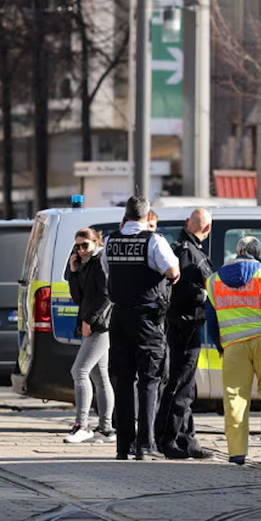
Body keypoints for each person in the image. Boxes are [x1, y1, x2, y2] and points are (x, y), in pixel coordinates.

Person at [104, 195, 180, 460]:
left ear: (125, 215)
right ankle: (145, 446)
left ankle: (123, 446)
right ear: (148, 217)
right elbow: (172, 271)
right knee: (149, 380)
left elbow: (107, 272)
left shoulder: (110, 240)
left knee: (122, 381)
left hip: (119, 317)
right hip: (146, 319)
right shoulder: (154, 240)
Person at [207, 235, 261, 464]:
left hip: (233, 346)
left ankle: (236, 451)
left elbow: (212, 321)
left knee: (235, 397)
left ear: (237, 252)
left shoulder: (214, 281)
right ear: (257, 253)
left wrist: (220, 346)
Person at [156, 208, 215, 459]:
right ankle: (167, 439)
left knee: (186, 386)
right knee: (179, 385)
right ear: (208, 229)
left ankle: (187, 439)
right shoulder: (194, 254)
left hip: (177, 323)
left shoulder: (177, 248)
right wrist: (205, 296)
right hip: (187, 324)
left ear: (186, 223)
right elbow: (203, 290)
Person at [63, 228, 114, 444]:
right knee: (99, 377)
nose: (82, 250)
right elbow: (78, 297)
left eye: (85, 245)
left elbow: (106, 294)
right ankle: (106, 429)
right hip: (93, 324)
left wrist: (89, 320)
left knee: (79, 370)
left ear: (96, 242)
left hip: (100, 326)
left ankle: (82, 425)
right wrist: (74, 272)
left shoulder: (101, 260)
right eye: (78, 246)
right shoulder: (86, 264)